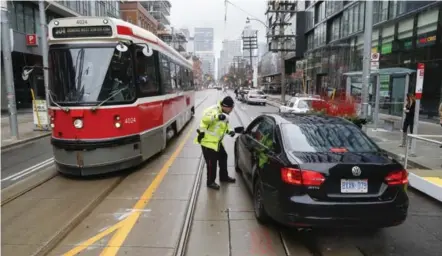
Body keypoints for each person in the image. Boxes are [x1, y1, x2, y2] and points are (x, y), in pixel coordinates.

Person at [195, 96, 237, 190]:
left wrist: (230, 131)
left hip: (216, 142)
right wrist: (216, 117)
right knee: (211, 163)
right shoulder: (213, 110)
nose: (231, 111)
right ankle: (210, 182)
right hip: (207, 141)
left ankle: (223, 177)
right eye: (231, 108)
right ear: (226, 107)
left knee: (223, 156)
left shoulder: (225, 114)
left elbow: (224, 126)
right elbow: (205, 119)